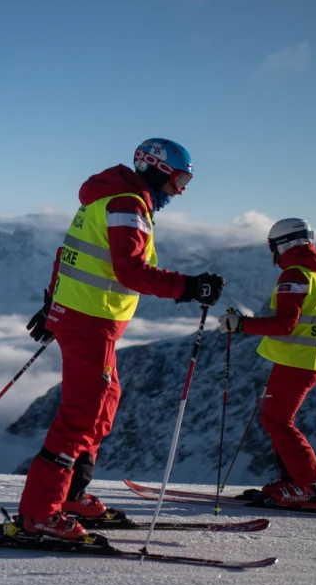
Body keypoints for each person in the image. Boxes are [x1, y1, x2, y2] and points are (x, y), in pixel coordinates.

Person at [16, 138, 226, 540]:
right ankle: (39, 513)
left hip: (87, 319)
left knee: (103, 406)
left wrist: (52, 305)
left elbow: (69, 254)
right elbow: (131, 272)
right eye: (179, 179)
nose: (180, 190)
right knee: (80, 417)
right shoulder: (127, 203)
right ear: (157, 169)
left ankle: (71, 495)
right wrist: (190, 286)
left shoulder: (113, 198)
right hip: (89, 322)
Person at [217, 218, 316, 507]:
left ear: (283, 245)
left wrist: (240, 324)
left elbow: (284, 324)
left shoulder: (294, 275)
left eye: (273, 247)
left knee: (278, 421)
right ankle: (295, 482)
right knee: (276, 419)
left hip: (297, 361)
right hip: (311, 359)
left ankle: (307, 486)